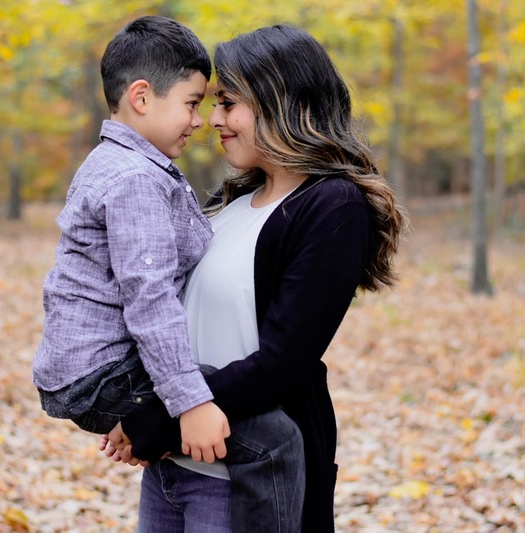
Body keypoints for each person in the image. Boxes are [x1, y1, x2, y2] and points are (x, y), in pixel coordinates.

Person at [102, 24, 406, 533]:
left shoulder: (332, 207)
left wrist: (161, 416)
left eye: (227, 103)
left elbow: (282, 363)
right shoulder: (228, 205)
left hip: (247, 479)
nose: (213, 119)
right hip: (171, 468)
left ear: (280, 98)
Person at [32, 15, 305, 533]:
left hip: (92, 371)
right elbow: (149, 296)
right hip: (105, 373)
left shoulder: (116, 162)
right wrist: (188, 402)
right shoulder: (136, 179)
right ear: (141, 97)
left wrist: (149, 415)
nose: (200, 120)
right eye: (192, 103)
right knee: (273, 439)